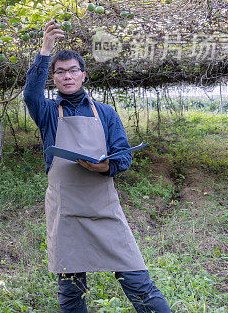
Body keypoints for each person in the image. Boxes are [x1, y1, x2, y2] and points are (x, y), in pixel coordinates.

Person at [23, 20, 172, 313]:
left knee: (137, 280)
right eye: (60, 71)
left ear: (83, 75)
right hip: (66, 210)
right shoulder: (49, 112)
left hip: (103, 208)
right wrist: (45, 50)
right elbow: (30, 94)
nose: (67, 76)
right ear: (53, 78)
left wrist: (103, 168)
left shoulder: (104, 112)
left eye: (72, 70)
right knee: (71, 291)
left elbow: (123, 156)